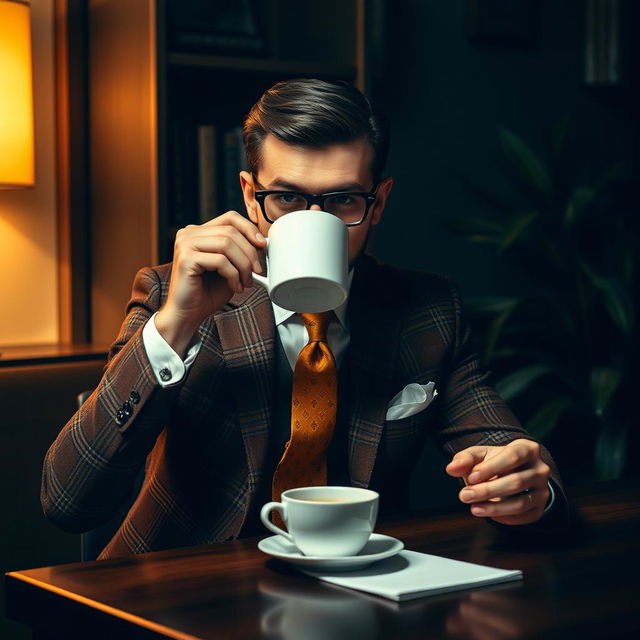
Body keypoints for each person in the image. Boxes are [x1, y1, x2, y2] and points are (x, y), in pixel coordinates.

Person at [42, 79, 567, 559]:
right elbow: (67, 503)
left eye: (342, 199)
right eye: (287, 197)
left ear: (378, 201)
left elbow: (508, 453)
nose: (314, 222)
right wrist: (176, 323)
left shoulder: (427, 311)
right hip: (178, 588)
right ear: (252, 197)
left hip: (356, 592)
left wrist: (529, 488)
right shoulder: (173, 295)